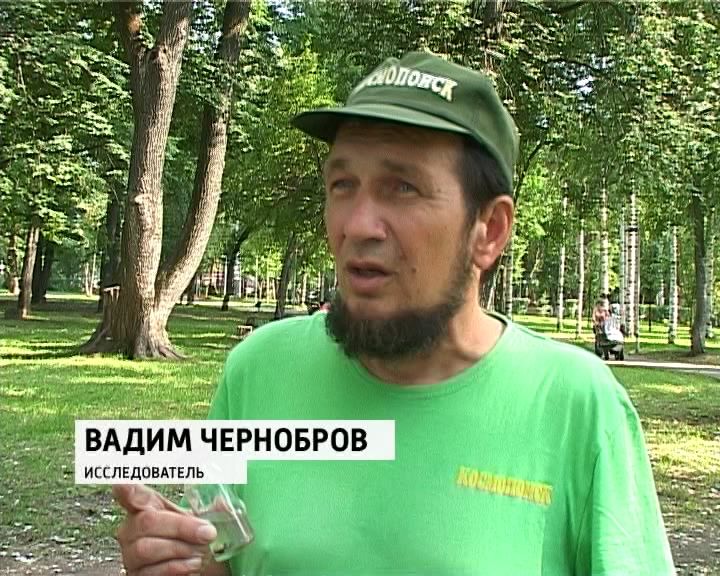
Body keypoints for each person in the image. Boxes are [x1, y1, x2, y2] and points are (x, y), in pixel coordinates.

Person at [114, 52, 675, 575]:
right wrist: (183, 561)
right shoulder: (256, 371)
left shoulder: (577, 406)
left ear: (489, 230)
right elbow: (219, 555)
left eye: (402, 188)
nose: (358, 225)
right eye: (343, 184)